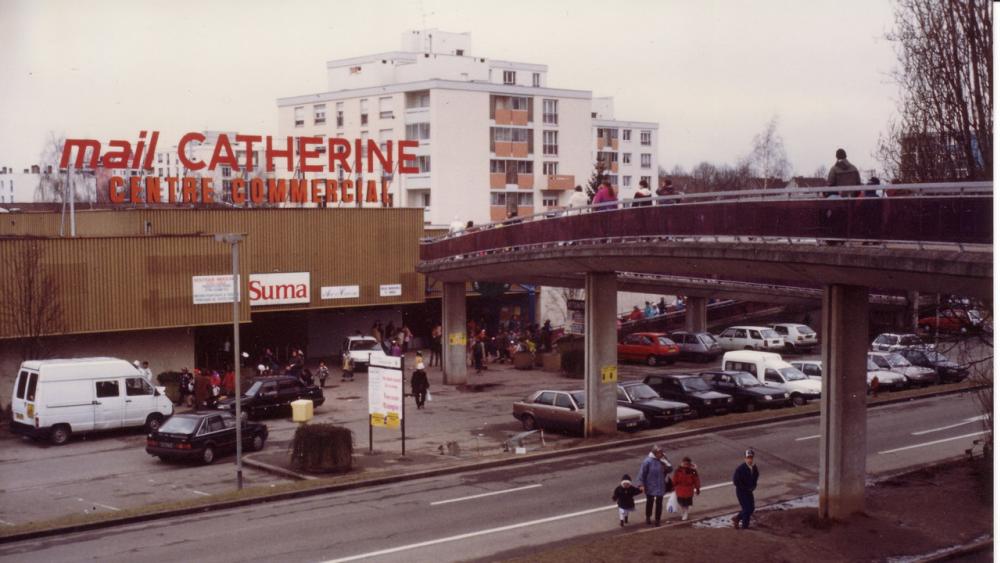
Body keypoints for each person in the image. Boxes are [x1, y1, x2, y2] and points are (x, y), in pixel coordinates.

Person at [637, 444, 672, 527]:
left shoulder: (663, 460)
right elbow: (642, 473)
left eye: (662, 453)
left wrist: (666, 463)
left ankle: (657, 520)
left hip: (660, 484)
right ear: (655, 453)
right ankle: (648, 517)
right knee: (650, 501)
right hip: (650, 485)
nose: (661, 454)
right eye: (659, 453)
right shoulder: (647, 461)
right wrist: (641, 484)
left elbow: (670, 469)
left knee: (659, 503)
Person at [732, 448, 760, 529]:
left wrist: (754, 486)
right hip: (741, 491)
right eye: (748, 458)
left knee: (751, 508)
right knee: (747, 509)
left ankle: (737, 518)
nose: (749, 459)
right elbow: (735, 481)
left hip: (749, 491)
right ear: (745, 458)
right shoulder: (740, 469)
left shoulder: (754, 467)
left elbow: (756, 476)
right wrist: (745, 488)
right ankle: (745, 527)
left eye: (751, 457)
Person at [672, 457, 702, 521]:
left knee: (686, 502)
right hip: (680, 489)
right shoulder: (678, 470)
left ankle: (685, 513)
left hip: (688, 489)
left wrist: (697, 488)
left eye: (687, 464)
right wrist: (672, 486)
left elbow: (696, 480)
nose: (685, 465)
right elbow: (675, 479)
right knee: (681, 502)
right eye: (684, 463)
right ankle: (684, 512)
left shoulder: (692, 471)